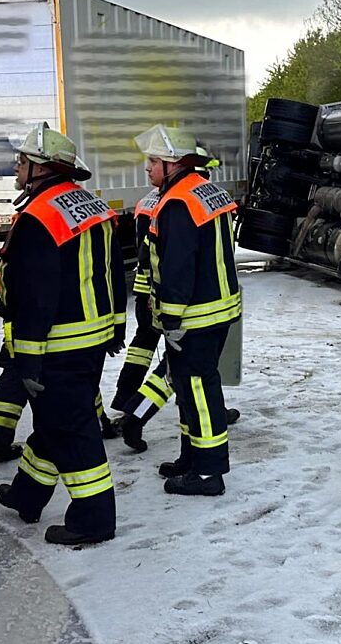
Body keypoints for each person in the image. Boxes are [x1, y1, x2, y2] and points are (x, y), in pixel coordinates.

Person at [0, 123, 126, 545]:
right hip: (91, 340)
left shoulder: (37, 218)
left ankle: (94, 519)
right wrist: (117, 327)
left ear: (40, 168)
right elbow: (114, 273)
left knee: (72, 432)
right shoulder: (94, 207)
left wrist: (27, 359)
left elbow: (34, 296)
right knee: (56, 422)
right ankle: (27, 495)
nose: (17, 168)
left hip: (56, 347)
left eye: (22, 161)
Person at [113, 146, 239, 454]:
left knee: (179, 371)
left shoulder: (157, 202)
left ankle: (137, 409)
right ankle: (139, 413)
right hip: (188, 305)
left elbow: (155, 257)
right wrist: (168, 313)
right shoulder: (203, 199)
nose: (147, 168)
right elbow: (173, 262)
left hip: (173, 300)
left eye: (154, 161)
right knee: (184, 375)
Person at [135, 125, 240, 496]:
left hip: (195, 315)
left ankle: (209, 473)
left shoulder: (178, 203)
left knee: (198, 390)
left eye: (153, 161)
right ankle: (191, 457)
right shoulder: (208, 191)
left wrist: (171, 319)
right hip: (218, 309)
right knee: (189, 388)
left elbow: (177, 267)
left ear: (173, 164)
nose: (147, 168)